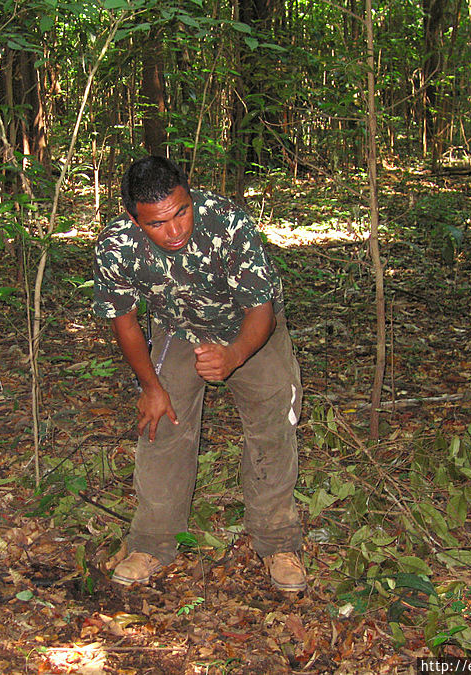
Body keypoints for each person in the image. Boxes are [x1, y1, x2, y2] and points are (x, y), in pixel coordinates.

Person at [92, 156, 306, 591]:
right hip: (177, 329)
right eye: (157, 224)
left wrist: (234, 357)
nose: (175, 231)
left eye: (182, 212)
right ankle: (152, 541)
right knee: (161, 425)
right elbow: (125, 321)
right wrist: (150, 387)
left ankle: (278, 542)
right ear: (134, 220)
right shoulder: (116, 247)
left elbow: (260, 309)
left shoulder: (226, 222)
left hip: (249, 329)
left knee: (272, 424)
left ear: (190, 196)